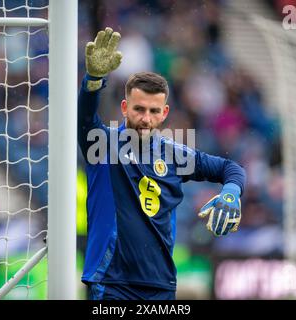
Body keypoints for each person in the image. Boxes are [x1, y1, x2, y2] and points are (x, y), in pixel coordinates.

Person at [78, 27, 246, 300]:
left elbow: (231, 169)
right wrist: (94, 79)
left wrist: (231, 192)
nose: (146, 118)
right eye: (139, 109)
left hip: (161, 285)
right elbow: (85, 116)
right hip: (111, 284)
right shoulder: (102, 145)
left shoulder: (175, 155)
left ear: (164, 112)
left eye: (154, 111)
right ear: (124, 108)